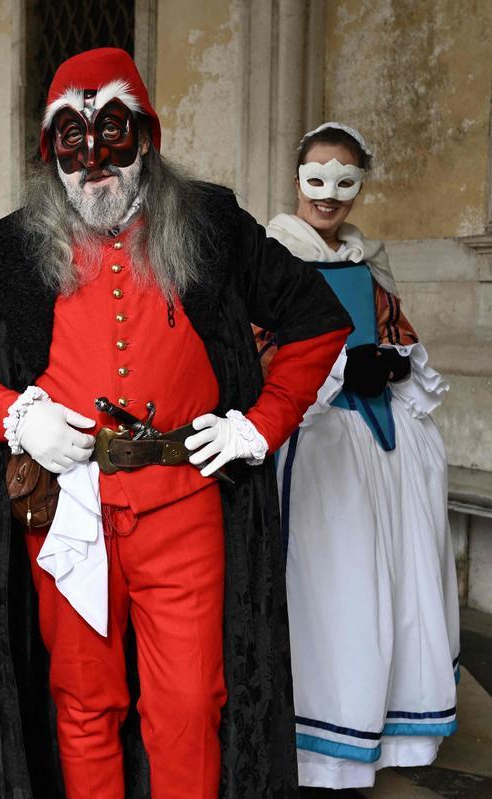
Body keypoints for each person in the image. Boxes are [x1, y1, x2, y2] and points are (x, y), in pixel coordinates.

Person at [0, 48, 353, 798]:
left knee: (189, 703)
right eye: (71, 140)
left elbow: (317, 321)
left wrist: (261, 423)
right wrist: (17, 416)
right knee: (84, 703)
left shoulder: (212, 223)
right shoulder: (11, 248)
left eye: (111, 134)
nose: (93, 160)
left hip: (184, 502)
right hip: (65, 514)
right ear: (49, 154)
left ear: (145, 137)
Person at [264, 122, 460, 791]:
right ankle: (321, 740)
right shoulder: (270, 257)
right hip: (312, 443)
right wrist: (340, 373)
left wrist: (392, 364)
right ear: (297, 179)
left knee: (391, 586)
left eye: (345, 179)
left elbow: (398, 334)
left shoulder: (369, 261)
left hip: (378, 448)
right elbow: (259, 349)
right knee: (334, 591)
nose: (330, 194)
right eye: (317, 177)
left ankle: (384, 729)